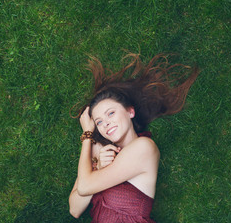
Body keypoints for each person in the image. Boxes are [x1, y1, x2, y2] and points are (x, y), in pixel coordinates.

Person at [69, 53, 199, 222]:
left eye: (111, 113)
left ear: (130, 111)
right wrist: (98, 167)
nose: (106, 123)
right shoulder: (101, 154)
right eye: (99, 122)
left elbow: (85, 186)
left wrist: (87, 134)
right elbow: (74, 208)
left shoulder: (144, 147)